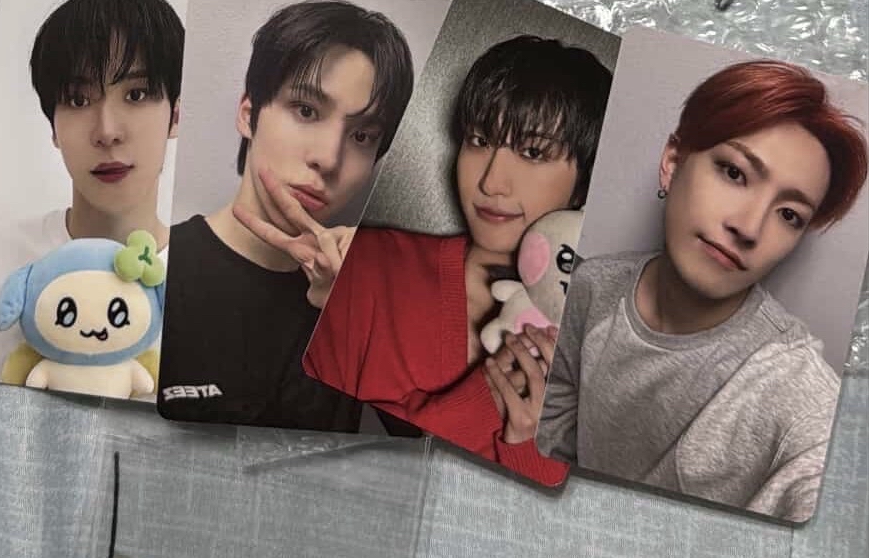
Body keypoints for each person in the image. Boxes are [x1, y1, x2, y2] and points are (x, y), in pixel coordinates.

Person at [536, 59, 868, 522]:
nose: (749, 227)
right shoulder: (591, 286)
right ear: (672, 163)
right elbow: (554, 429)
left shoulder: (791, 384)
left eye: (790, 214)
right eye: (734, 173)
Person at [303, 35, 611, 483]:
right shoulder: (366, 266)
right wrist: (483, 402)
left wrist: (532, 447)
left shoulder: (601, 348)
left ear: (584, 182)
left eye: (533, 152)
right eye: (479, 140)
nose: (491, 182)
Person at [157, 0, 414, 430]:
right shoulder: (159, 268)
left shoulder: (366, 295)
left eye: (362, 135)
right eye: (307, 111)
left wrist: (365, 322)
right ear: (248, 114)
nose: (329, 158)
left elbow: (435, 454)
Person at [0, 0, 183, 390]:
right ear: (53, 127)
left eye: (136, 94)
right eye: (78, 100)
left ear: (176, 115)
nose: (107, 131)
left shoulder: (217, 286)